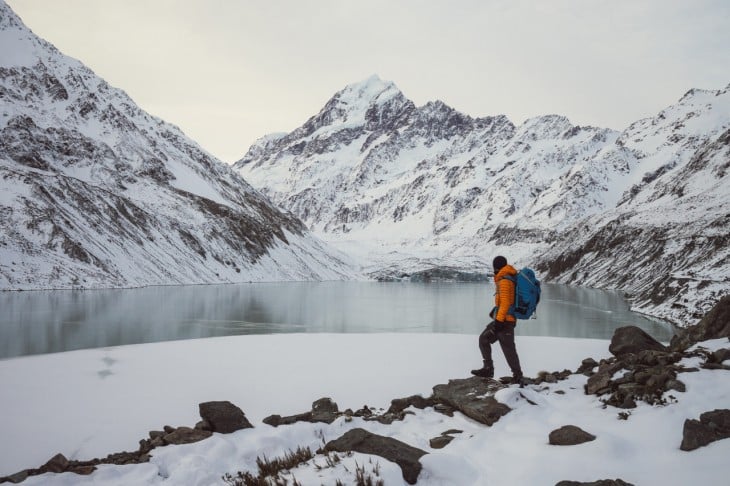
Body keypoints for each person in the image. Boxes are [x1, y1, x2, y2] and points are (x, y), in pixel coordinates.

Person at [471, 255, 525, 386]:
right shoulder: (505, 278)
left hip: (505, 321)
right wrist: (496, 314)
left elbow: (506, 303)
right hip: (504, 319)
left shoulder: (505, 280)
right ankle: (489, 369)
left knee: (508, 349)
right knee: (485, 339)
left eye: (494, 266)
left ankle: (517, 376)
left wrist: (499, 321)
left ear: (497, 267)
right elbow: (504, 302)